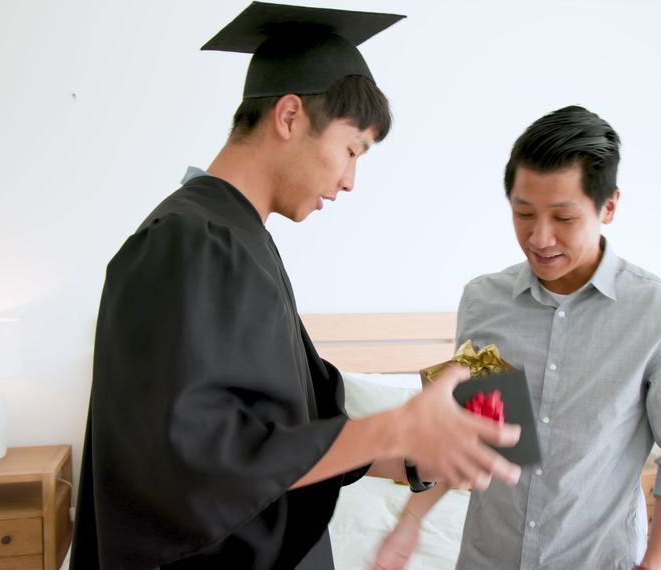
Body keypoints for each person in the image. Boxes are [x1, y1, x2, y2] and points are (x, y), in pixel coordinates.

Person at [69, 3, 521, 569]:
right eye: (352, 149)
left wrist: (411, 458)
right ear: (289, 116)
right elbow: (197, 457)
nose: (350, 179)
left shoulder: (240, 239)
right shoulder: (184, 242)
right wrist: (396, 426)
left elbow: (300, 428)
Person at [375, 106, 661, 570]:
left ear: (608, 207)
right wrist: (411, 520)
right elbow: (468, 438)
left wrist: (654, 564)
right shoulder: (483, 302)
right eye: (523, 213)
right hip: (486, 558)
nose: (539, 237)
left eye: (563, 217)